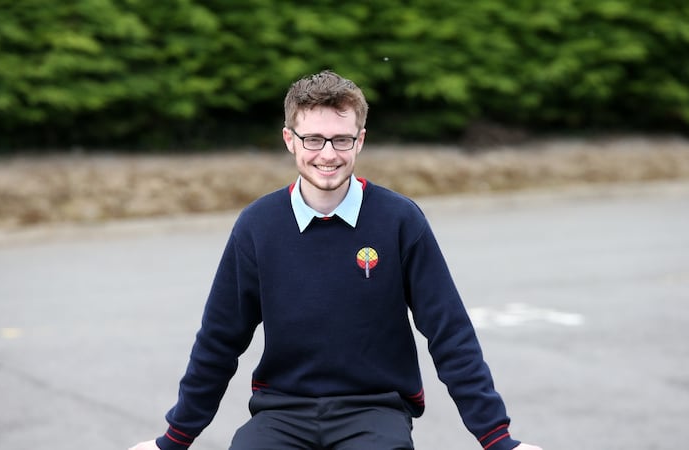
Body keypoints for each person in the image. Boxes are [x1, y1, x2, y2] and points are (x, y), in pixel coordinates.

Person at [129, 70, 541, 450]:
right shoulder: (258, 225)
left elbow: (449, 332)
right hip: (281, 412)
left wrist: (498, 440)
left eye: (341, 139)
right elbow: (219, 340)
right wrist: (174, 440)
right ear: (290, 140)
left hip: (375, 411)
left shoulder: (399, 220)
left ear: (360, 140)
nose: (327, 154)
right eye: (313, 139)